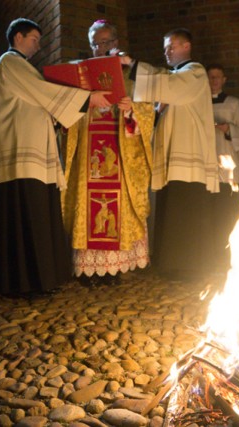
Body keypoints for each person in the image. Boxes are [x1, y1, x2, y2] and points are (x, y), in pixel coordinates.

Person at [0, 18, 111, 296]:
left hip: (34, 153)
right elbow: (45, 92)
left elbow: (40, 101)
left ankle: (40, 278)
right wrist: (87, 98)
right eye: (34, 39)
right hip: (23, 155)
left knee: (38, 215)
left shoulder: (20, 66)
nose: (38, 46)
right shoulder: (10, 61)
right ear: (18, 37)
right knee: (28, 216)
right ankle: (25, 281)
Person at [120, 28, 218, 280]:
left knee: (187, 208)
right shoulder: (171, 79)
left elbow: (168, 84)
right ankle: (171, 263)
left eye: (171, 46)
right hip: (170, 152)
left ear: (186, 46)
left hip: (187, 155)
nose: (167, 51)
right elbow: (161, 90)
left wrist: (132, 63)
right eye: (165, 47)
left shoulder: (194, 72)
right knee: (172, 206)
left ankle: (191, 266)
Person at [61, 19, 154, 285]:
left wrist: (130, 110)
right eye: (95, 44)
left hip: (119, 155)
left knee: (116, 209)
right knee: (90, 208)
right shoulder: (80, 77)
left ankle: (114, 268)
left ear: (115, 43)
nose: (100, 48)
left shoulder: (131, 76)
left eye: (105, 42)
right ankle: (89, 270)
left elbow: (147, 116)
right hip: (88, 157)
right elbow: (66, 116)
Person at [207, 64, 239, 271]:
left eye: (217, 77)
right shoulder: (198, 103)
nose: (214, 81)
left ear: (224, 79)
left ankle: (229, 256)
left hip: (227, 161)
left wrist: (228, 129)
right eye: (210, 77)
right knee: (210, 213)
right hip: (206, 161)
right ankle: (211, 255)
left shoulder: (234, 103)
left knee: (227, 212)